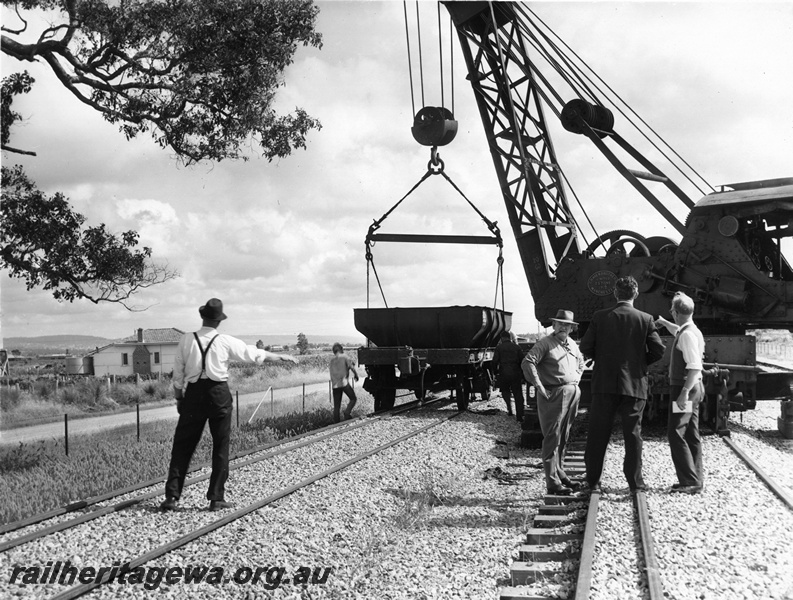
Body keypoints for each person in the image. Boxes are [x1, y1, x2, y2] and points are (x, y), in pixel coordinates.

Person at [160, 298, 298, 512]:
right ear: (218, 321)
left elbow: (177, 375)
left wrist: (179, 399)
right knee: (221, 445)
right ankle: (216, 498)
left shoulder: (187, 340)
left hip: (193, 395)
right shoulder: (224, 341)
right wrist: (280, 356)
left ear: (203, 317)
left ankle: (172, 497)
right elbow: (253, 355)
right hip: (218, 395)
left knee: (182, 445)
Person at [579, 275, 666, 493]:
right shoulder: (645, 319)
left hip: (604, 384)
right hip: (634, 384)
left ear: (616, 294)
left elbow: (585, 347)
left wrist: (600, 357)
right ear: (636, 294)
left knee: (598, 433)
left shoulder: (600, 317)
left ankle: (593, 482)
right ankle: (635, 483)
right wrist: (639, 364)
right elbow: (659, 350)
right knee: (633, 434)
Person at [522, 310, 585, 495]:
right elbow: (528, 362)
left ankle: (560, 473)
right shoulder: (545, 344)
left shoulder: (572, 344)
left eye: (567, 325)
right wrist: (539, 385)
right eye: (560, 324)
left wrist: (576, 379)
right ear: (554, 325)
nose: (563, 327)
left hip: (572, 393)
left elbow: (581, 362)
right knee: (552, 437)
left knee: (563, 437)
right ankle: (552, 483)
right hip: (554, 394)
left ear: (572, 328)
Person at [656, 292, 705, 494]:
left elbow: (694, 367)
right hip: (694, 388)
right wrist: (664, 323)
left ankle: (688, 481)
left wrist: (683, 393)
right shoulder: (691, 330)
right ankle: (696, 478)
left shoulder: (686, 335)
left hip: (686, 388)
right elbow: (678, 330)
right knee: (691, 433)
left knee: (675, 432)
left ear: (676, 312)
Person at [493, 330, 525, 420]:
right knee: (518, 394)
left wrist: (495, 372)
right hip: (515, 373)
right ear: (509, 338)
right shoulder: (517, 347)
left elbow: (494, 361)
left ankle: (509, 409)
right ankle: (519, 415)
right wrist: (522, 374)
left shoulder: (499, 348)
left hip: (504, 373)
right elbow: (523, 361)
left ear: (502, 338)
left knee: (505, 392)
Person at [329, 342, 359, 423]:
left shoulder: (332, 361)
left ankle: (336, 423)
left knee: (336, 406)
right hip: (344, 383)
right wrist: (356, 375)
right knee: (353, 398)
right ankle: (347, 413)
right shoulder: (344, 357)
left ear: (334, 351)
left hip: (335, 385)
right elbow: (351, 367)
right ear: (341, 349)